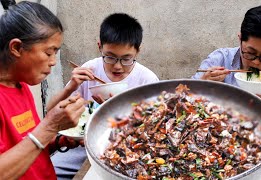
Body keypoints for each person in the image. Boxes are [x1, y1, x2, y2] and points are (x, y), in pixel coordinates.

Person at [48, 13, 159, 179]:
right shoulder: (90, 69)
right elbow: (50, 111)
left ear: (137, 51)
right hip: (83, 148)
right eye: (110, 57)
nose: (118, 66)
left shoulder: (147, 80)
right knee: (49, 172)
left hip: (128, 151)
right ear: (99, 46)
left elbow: (154, 130)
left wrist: (114, 112)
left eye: (126, 59)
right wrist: (71, 86)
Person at [0, 1, 86, 179]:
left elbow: (28, 144)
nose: (53, 61)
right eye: (48, 53)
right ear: (16, 47)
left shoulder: (21, 85)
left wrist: (61, 139)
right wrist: (50, 126)